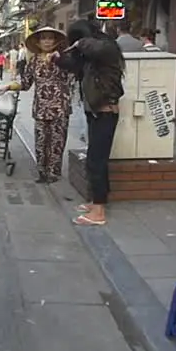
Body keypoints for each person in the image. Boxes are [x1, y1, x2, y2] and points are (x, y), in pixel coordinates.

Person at [56, 19, 124, 225]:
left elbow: (96, 49)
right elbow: (75, 66)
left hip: (105, 111)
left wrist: (80, 42)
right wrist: (57, 59)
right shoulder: (90, 55)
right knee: (95, 159)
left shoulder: (107, 47)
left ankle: (99, 212)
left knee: (96, 161)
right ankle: (97, 201)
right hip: (94, 111)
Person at [8, 27, 75, 183]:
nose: (46, 41)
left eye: (50, 38)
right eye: (43, 38)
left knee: (57, 141)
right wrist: (8, 86)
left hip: (60, 107)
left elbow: (74, 72)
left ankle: (53, 173)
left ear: (55, 41)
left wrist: (61, 59)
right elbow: (25, 83)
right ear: (38, 42)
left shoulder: (63, 59)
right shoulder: (34, 61)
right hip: (40, 108)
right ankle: (42, 172)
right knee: (40, 141)